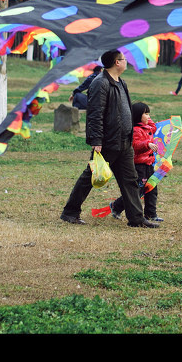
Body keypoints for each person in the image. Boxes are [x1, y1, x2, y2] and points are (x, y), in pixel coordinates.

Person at [60, 50, 159, 228]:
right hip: (108, 141)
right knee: (91, 176)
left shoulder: (121, 82)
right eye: (124, 59)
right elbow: (95, 113)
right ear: (117, 62)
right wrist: (96, 140)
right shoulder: (100, 83)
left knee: (130, 180)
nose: (126, 61)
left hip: (125, 142)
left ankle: (136, 219)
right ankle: (70, 212)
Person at [108, 101, 164, 222]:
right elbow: (135, 145)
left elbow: (153, 125)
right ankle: (116, 206)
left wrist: (147, 118)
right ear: (138, 115)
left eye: (149, 114)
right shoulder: (135, 130)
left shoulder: (148, 128)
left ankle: (151, 214)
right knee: (137, 190)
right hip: (139, 165)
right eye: (146, 114)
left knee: (152, 189)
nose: (149, 117)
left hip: (149, 164)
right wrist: (147, 144)